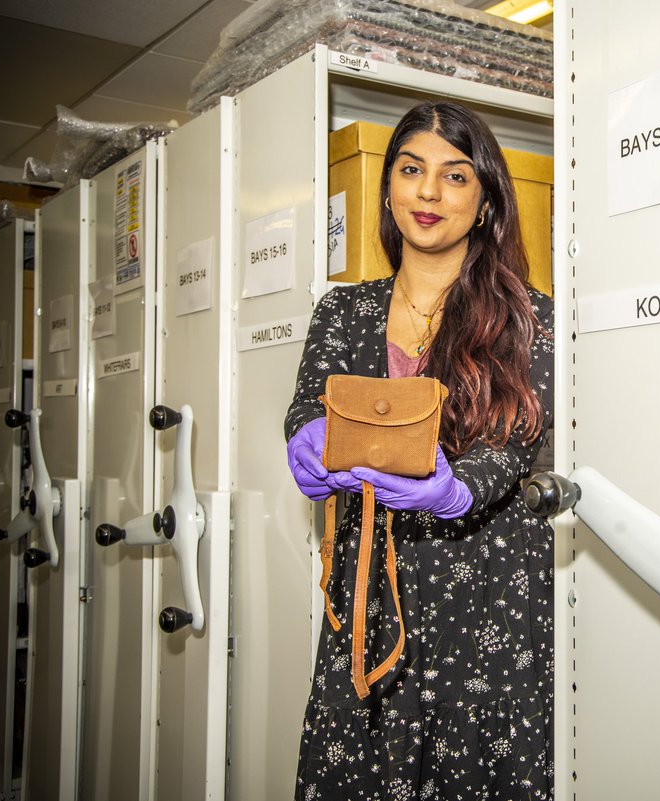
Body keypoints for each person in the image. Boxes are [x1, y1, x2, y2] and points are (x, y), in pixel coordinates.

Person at [283, 100, 554, 801]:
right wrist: (306, 440)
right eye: (411, 170)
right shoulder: (342, 310)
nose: (429, 192)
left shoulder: (530, 315)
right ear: (389, 188)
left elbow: (519, 433)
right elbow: (310, 405)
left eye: (455, 176)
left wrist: (459, 487)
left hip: (488, 599)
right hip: (372, 598)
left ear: (486, 200)